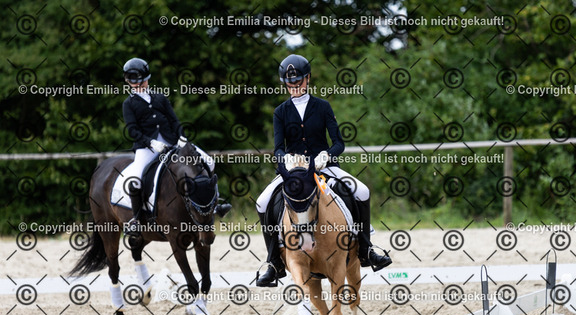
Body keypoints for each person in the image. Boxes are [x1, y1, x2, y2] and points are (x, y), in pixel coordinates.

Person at [255, 54, 392, 286]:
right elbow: (278, 148)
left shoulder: (322, 106)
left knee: (362, 191)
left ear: (307, 78)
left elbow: (339, 143)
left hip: (323, 168)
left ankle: (366, 249)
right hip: (294, 172)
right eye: (290, 83)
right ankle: (273, 262)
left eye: (298, 81)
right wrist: (286, 159)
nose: (294, 86)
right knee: (262, 202)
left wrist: (327, 155)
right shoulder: (281, 111)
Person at [121, 58, 230, 234]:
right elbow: (132, 130)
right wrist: (150, 142)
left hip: (172, 142)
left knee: (209, 161)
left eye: (143, 81)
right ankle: (136, 219)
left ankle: (216, 203)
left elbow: (174, 120)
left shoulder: (160, 97)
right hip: (147, 147)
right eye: (135, 83)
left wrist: (182, 137)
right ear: (128, 82)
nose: (139, 85)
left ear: (148, 79)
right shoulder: (128, 104)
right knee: (135, 180)